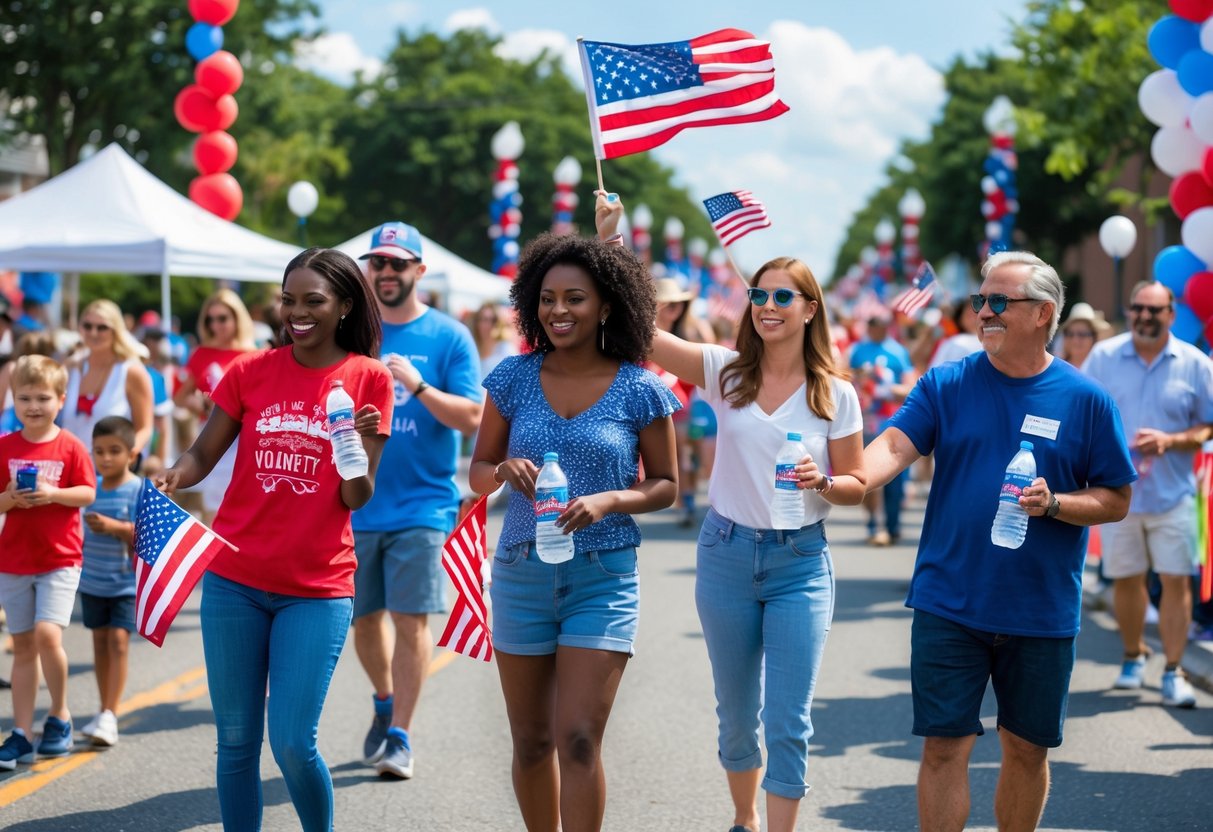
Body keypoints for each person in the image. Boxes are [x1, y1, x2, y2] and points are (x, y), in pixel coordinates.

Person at [862, 250, 1134, 831]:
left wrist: (1057, 504)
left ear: (1043, 314)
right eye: (980, 300)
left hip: (1039, 609)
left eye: (997, 302)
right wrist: (850, 480)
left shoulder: (1087, 400)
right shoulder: (945, 383)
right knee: (942, 747)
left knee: (1026, 749)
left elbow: (1115, 499)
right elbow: (891, 447)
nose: (982, 311)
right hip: (948, 600)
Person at [155, 248, 393, 831]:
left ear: (343, 305)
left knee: (291, 742)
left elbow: (356, 498)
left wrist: (354, 449)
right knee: (235, 743)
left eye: (314, 301)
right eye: (289, 300)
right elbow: (203, 452)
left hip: (315, 590)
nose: (298, 312)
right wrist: (173, 476)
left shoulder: (369, 379)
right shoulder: (249, 371)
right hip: (234, 581)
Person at [468, 212, 679, 831]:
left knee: (579, 739)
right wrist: (503, 471)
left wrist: (612, 500)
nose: (558, 311)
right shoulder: (512, 377)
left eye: (575, 299)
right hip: (520, 571)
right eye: (548, 299)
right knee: (532, 742)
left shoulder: (640, 388)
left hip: (603, 576)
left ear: (607, 307)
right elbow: (479, 471)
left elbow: (667, 486)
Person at [647, 247, 867, 831]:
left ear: (810, 309)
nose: (767, 307)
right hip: (726, 554)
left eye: (781, 297)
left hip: (800, 560)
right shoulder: (727, 371)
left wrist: (825, 480)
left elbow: (858, 485)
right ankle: (744, 818)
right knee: (739, 715)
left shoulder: (834, 393)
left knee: (788, 720)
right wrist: (612, 243)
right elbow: (642, 336)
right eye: (758, 296)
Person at [349, 221, 483, 779]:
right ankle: (384, 699)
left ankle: (401, 734)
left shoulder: (449, 337)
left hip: (423, 506)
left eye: (397, 264)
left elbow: (475, 417)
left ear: (418, 272)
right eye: (377, 263)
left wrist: (419, 387)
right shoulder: (354, 334)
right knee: (363, 620)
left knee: (409, 619)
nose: (385, 272)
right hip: (356, 503)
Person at [1081, 281, 1213, 708]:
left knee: (1176, 580)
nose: (1145, 316)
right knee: (1127, 579)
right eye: (1138, 308)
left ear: (1171, 315)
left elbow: (1208, 425)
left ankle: (1174, 670)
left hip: (1173, 493)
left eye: (1155, 310)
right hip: (1118, 496)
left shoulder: (1194, 363)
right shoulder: (1103, 357)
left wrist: (1171, 441)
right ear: (1130, 311)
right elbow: (1083, 413)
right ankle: (1133, 654)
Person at [0, 355, 97, 769]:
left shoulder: (71, 445)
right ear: (12, 400)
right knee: (22, 646)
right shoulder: (5, 446)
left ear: (61, 399)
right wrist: (10, 498)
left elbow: (88, 493)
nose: (33, 406)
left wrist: (53, 493)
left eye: (43, 398)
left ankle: (59, 715)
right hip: (14, 558)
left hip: (60, 557)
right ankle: (21, 732)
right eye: (24, 398)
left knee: (46, 635)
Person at [77, 416, 142, 748]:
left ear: (131, 454)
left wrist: (115, 527)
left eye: (115, 451)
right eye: (99, 451)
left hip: (125, 584)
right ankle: (103, 709)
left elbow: (147, 537)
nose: (105, 458)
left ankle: (111, 715)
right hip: (92, 581)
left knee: (118, 641)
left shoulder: (138, 489)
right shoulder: (90, 489)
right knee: (99, 644)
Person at [172, 288, 260, 524]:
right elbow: (180, 397)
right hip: (210, 435)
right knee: (213, 510)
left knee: (243, 505)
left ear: (237, 319)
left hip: (245, 438)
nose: (216, 325)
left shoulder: (255, 355)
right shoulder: (202, 353)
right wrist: (200, 403)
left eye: (222, 318)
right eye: (211, 319)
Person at [848, 312, 915, 546]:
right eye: (873, 324)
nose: (878, 328)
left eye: (882, 324)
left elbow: (911, 388)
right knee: (867, 476)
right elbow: (846, 378)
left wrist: (886, 388)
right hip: (866, 422)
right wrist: (860, 379)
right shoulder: (858, 350)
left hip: (894, 422)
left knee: (894, 482)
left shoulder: (898, 352)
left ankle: (892, 525)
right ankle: (875, 525)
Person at [61, 300, 154, 456]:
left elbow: (145, 428)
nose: (93, 333)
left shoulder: (131, 372)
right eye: (87, 326)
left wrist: (126, 456)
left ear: (116, 330)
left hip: (111, 472)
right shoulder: (71, 368)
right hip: (69, 465)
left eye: (102, 327)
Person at [470, 301, 519, 379]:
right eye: (483, 319)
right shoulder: (472, 347)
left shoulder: (506, 350)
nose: (487, 325)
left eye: (492, 320)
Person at [1058, 301, 1111, 367]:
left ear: (1094, 337)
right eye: (1070, 334)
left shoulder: (1102, 369)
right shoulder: (1056, 368)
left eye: (1082, 334)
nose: (1075, 340)